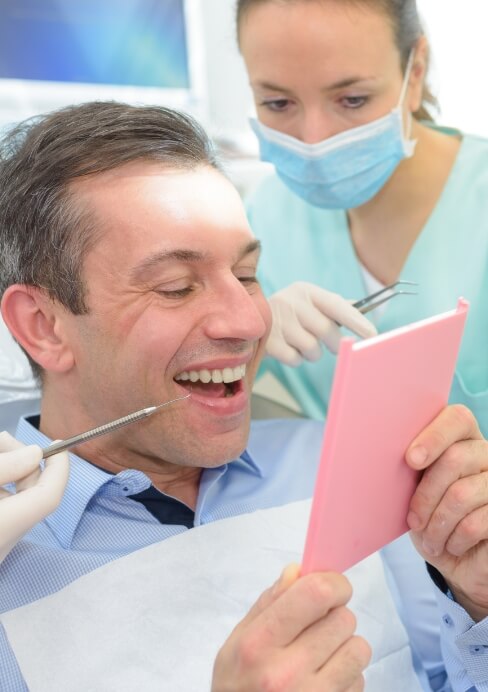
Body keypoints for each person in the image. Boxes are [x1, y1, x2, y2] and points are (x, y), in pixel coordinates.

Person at [0, 101, 487, 691]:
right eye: (176, 287)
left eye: (248, 276)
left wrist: (477, 602)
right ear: (43, 326)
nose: (249, 322)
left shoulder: (335, 462)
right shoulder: (11, 562)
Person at [236, 0, 488, 430]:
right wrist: (246, 341)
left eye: (352, 99)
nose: (314, 138)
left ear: (416, 73)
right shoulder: (263, 220)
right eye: (278, 103)